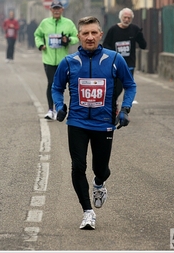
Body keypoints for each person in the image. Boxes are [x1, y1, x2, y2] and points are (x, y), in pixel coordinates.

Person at [52, 16, 136, 230]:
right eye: (85, 33)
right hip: (77, 122)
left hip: (103, 124)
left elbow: (130, 85)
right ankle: (87, 212)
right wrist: (60, 106)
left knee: (101, 168)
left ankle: (99, 183)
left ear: (100, 35)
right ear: (78, 36)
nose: (89, 37)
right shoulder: (69, 62)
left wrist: (125, 109)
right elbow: (56, 87)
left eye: (93, 33)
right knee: (78, 167)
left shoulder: (115, 59)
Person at [34, 1, 79, 120]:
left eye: (58, 8)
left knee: (64, 85)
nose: (56, 10)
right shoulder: (45, 23)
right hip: (48, 59)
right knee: (51, 83)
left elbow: (77, 37)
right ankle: (50, 110)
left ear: (62, 10)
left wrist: (68, 39)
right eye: (54, 9)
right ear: (51, 10)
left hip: (63, 60)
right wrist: (40, 45)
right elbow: (37, 35)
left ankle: (65, 108)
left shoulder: (68, 23)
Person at [103, 8, 146, 104]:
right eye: (125, 17)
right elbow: (105, 44)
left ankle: (125, 109)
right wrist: (113, 54)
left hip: (129, 64)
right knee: (117, 87)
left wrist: (139, 36)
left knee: (128, 87)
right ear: (120, 17)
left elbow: (143, 46)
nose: (126, 19)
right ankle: (113, 104)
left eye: (129, 18)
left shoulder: (135, 29)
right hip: (116, 64)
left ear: (131, 19)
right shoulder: (113, 30)